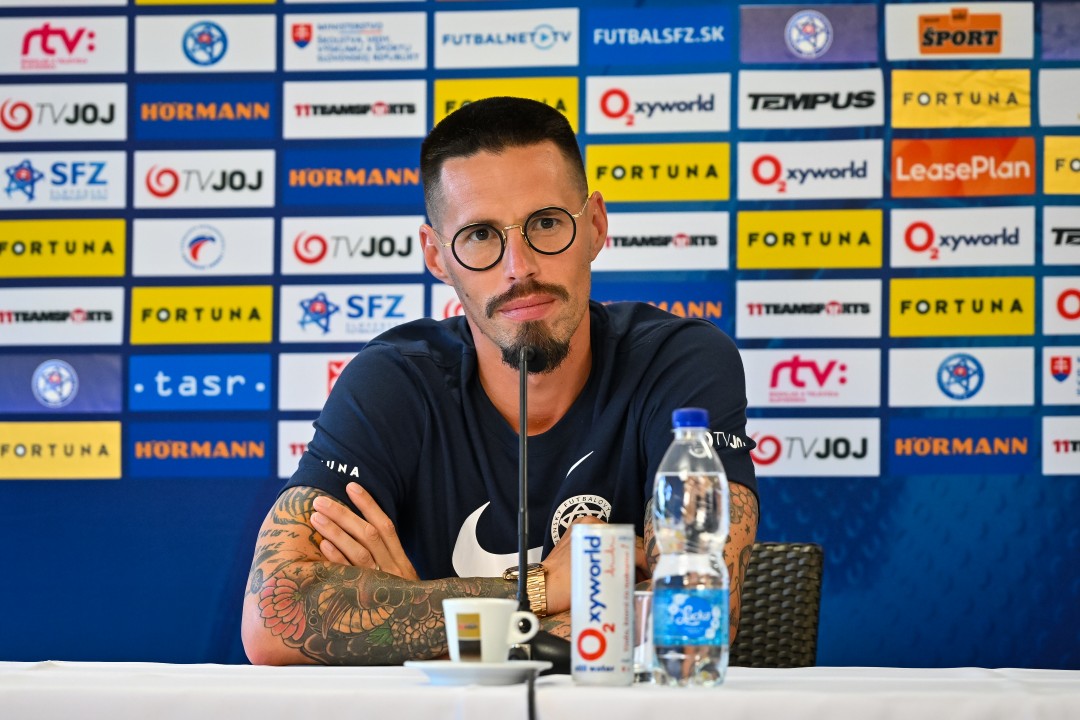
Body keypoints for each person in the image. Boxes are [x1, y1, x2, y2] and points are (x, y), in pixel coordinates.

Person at [242, 97, 759, 666]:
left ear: (594, 226)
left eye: (546, 224)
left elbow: (692, 621)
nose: (520, 267)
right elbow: (271, 621)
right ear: (437, 257)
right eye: (480, 235)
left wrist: (415, 610)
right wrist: (538, 589)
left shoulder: (679, 363)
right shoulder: (393, 380)